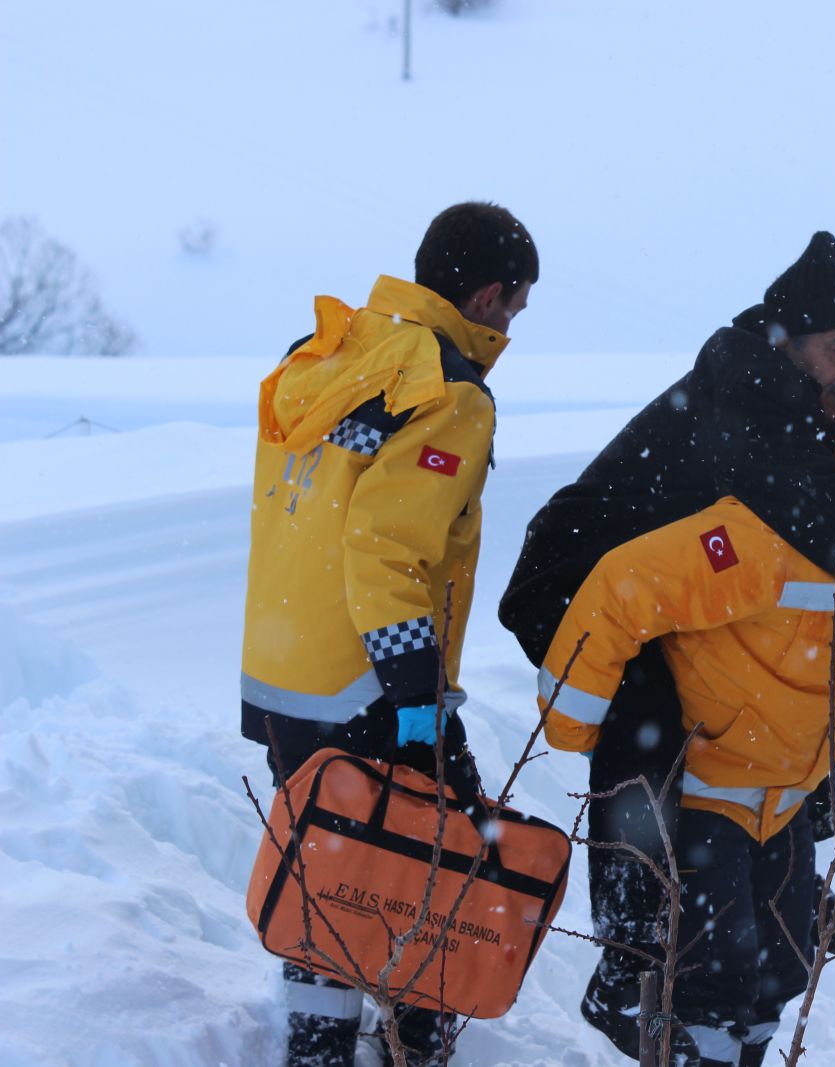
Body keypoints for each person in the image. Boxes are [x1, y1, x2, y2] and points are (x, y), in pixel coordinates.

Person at [498, 232, 835, 1058]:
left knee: (785, 684)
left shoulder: (799, 400)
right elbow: (793, 501)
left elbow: (825, 498)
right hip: (574, 579)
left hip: (661, 590)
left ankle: (792, 889)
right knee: (652, 720)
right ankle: (629, 955)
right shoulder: (745, 383)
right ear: (789, 336)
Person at [538, 393, 835, 1066]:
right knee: (708, 982)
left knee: (780, 972)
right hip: (705, 794)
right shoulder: (774, 537)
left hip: (786, 801)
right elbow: (622, 585)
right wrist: (573, 723)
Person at [239, 201, 537, 1067]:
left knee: (328, 858)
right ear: (488, 295)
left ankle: (319, 1044)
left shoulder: (329, 349)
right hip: (370, 678)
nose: (512, 326)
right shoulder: (446, 390)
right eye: (515, 308)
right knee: (430, 863)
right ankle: (413, 1044)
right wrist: (415, 694)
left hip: (283, 667)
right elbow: (384, 547)